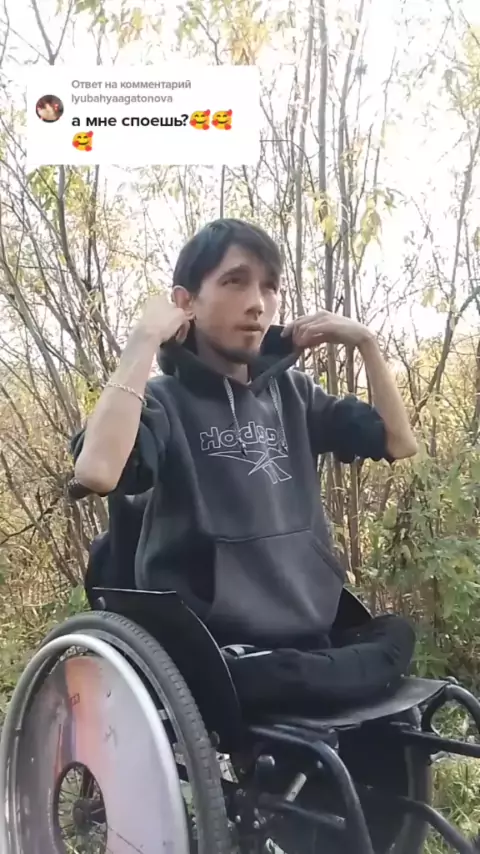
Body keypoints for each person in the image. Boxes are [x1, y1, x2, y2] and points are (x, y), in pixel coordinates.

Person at [71, 218, 417, 712]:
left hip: (309, 639)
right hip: (216, 651)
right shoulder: (161, 404)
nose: (257, 303)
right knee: (290, 677)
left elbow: (399, 442)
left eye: (270, 287)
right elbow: (97, 472)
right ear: (186, 302)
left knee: (396, 637)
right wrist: (144, 339)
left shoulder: (294, 394)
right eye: (235, 281)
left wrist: (366, 342)